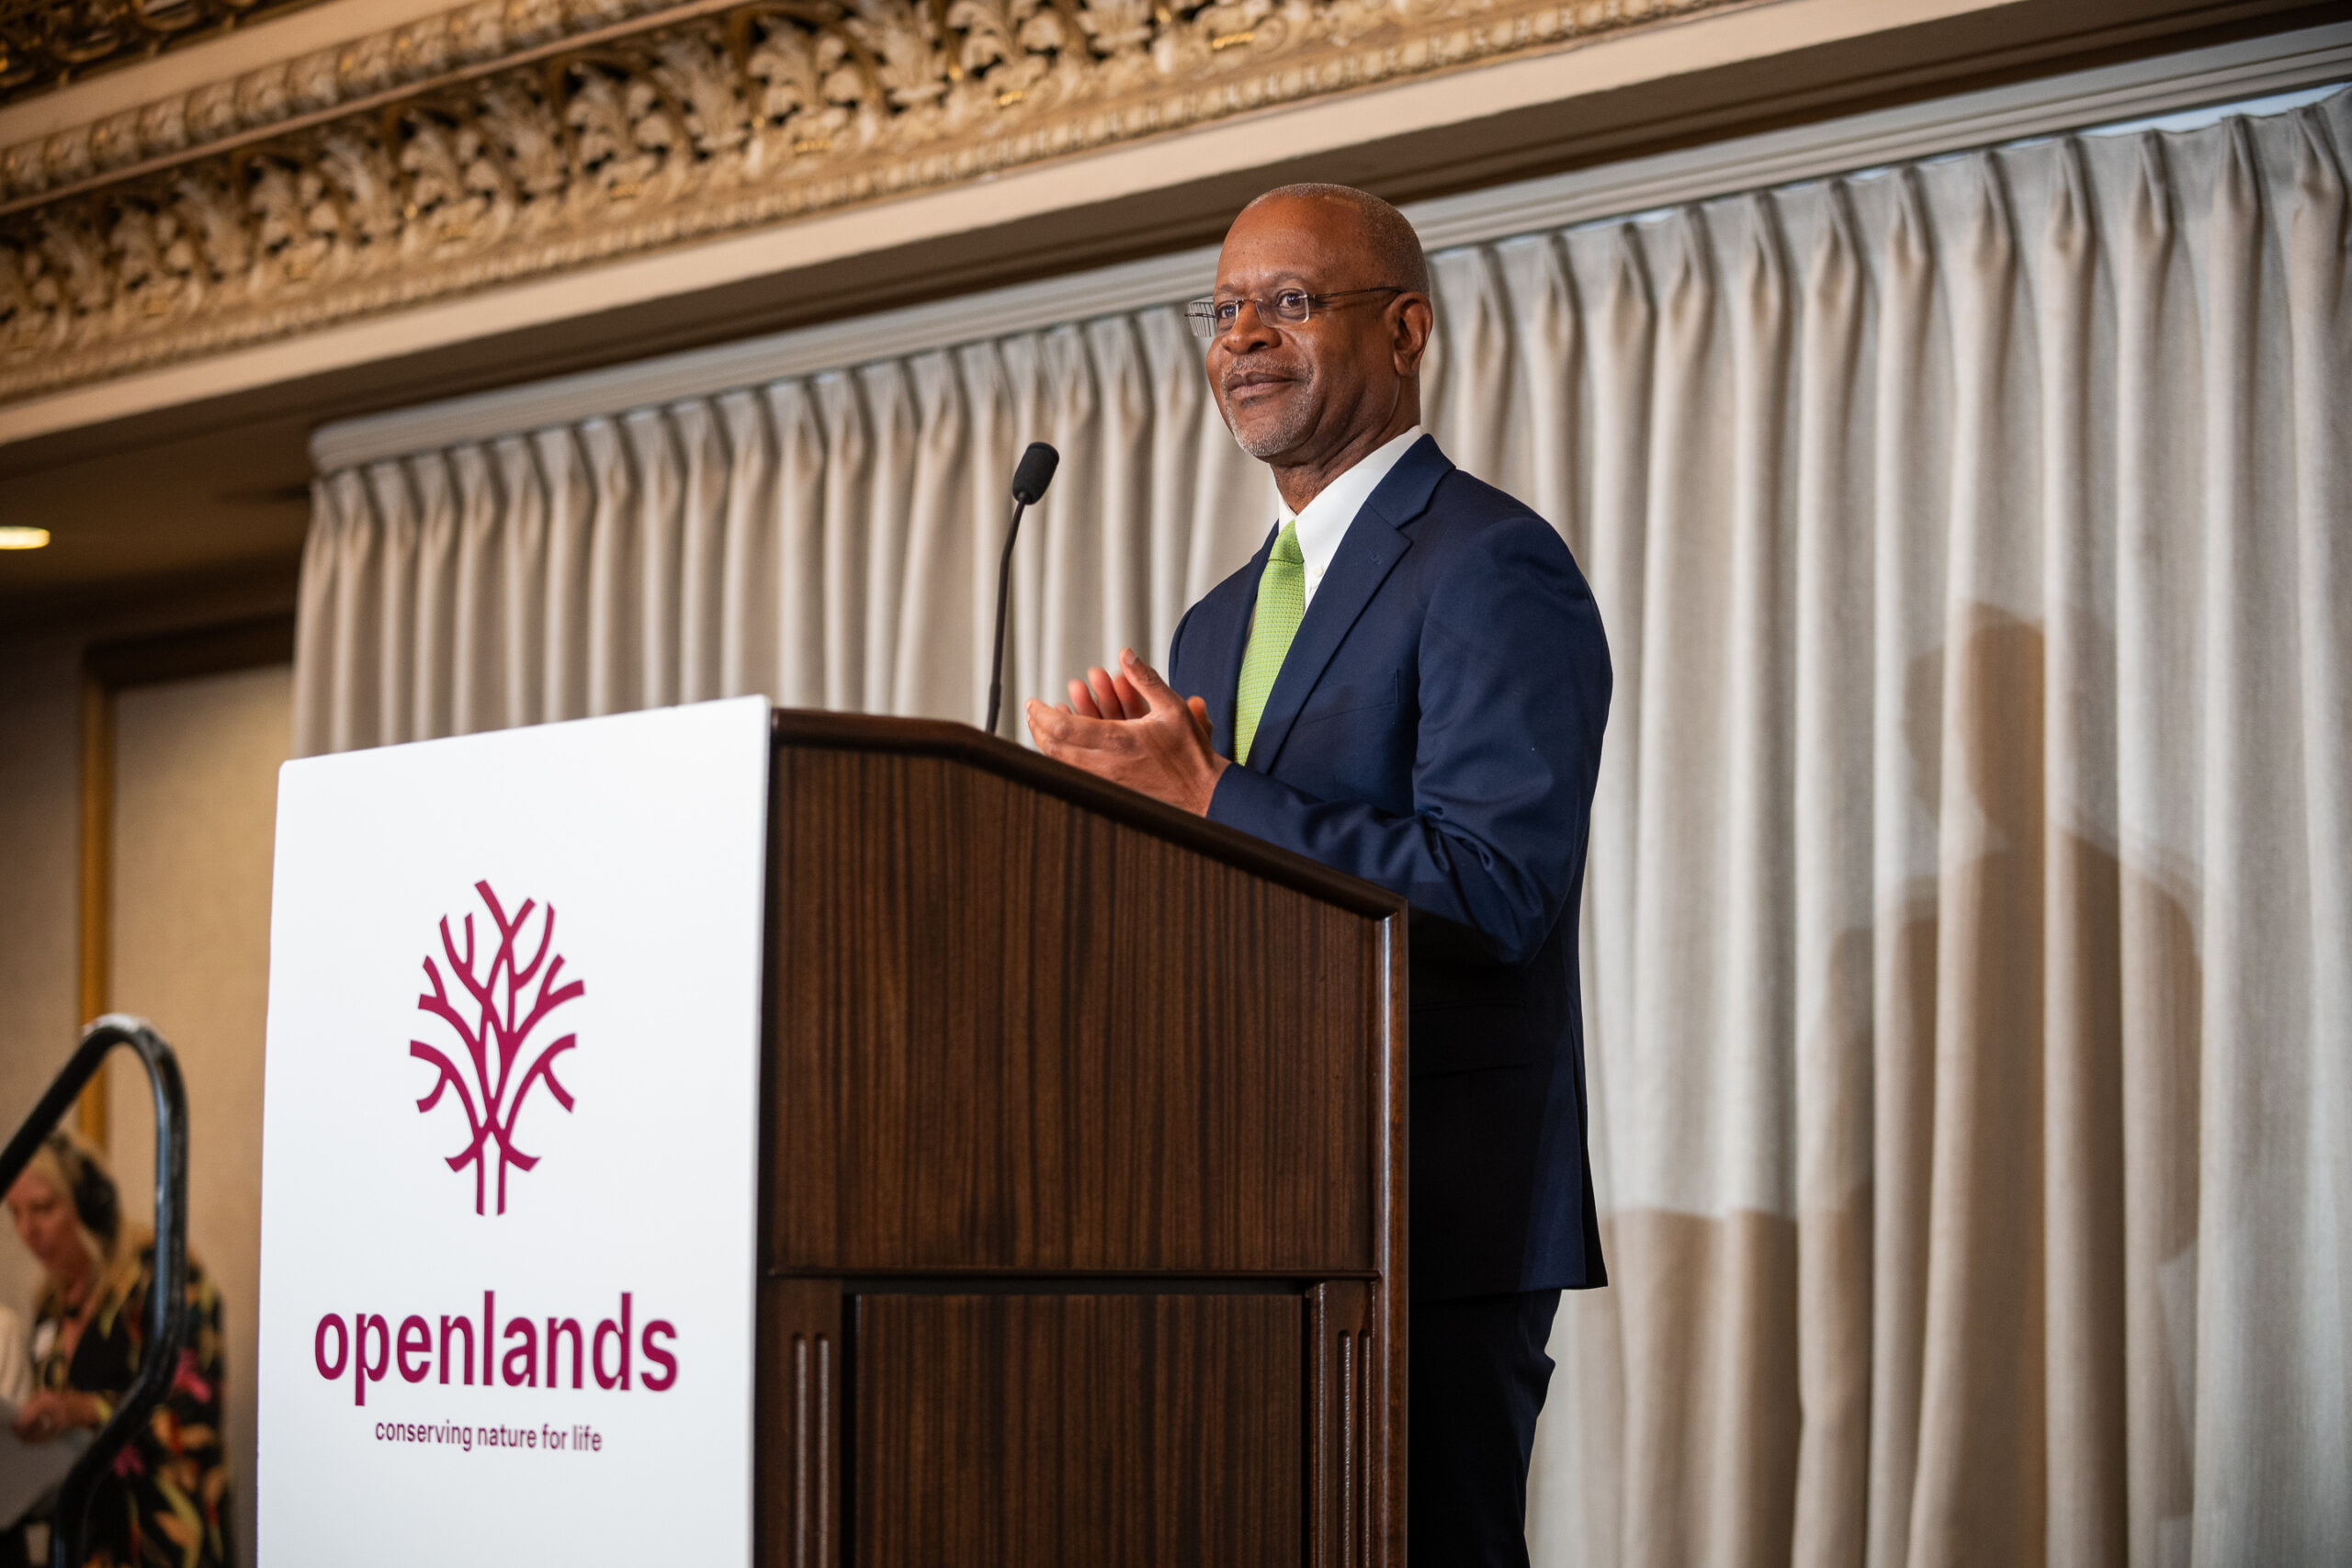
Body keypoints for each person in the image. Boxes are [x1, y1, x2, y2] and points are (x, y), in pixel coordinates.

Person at [1025, 183, 1611, 1564]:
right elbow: (1221, 897)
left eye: (1289, 302)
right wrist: (1109, 815)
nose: (1244, 339)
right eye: (1224, 310)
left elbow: (1493, 887)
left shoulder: (1491, 562)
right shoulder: (1216, 619)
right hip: (1242, 1203)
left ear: (1405, 328)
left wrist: (1211, 790)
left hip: (1430, 1213)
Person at [5, 1131, 231, 1568]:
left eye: (44, 1208)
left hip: (162, 1542)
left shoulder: (166, 1275)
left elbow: (192, 1413)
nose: (27, 1231)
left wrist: (85, 1411)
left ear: (92, 1204)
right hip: (86, 1543)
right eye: (15, 1213)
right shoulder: (51, 1302)